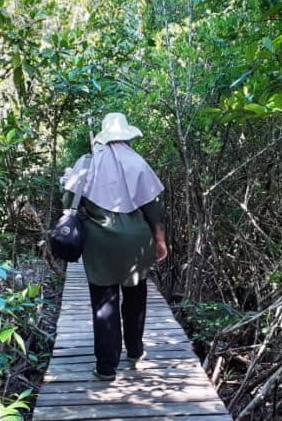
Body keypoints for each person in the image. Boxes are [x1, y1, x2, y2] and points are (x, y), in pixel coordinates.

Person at [61, 112, 168, 381]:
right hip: (136, 243)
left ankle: (107, 367)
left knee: (104, 303)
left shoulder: (87, 162)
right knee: (135, 296)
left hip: (100, 244)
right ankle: (135, 351)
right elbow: (152, 208)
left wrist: (67, 181)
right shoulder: (138, 162)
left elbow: (67, 199)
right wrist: (160, 240)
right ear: (126, 136)